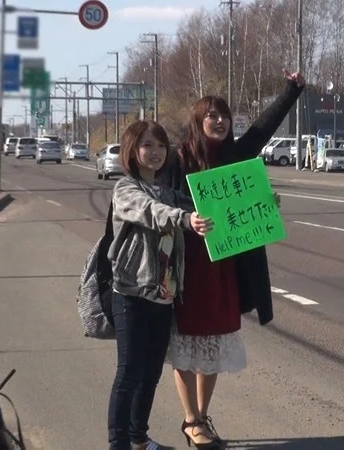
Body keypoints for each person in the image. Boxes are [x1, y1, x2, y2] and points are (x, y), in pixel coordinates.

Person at [157, 69, 305, 448]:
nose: (219, 121)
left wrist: (292, 90)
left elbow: (261, 130)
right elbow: (163, 200)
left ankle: (203, 416)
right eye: (211, 115)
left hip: (224, 269)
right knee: (186, 343)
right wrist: (192, 214)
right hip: (188, 268)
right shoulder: (179, 158)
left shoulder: (238, 156)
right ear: (197, 121)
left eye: (223, 115)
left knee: (215, 342)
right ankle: (191, 420)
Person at [107, 120, 213, 450]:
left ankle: (139, 439)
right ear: (132, 151)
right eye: (147, 145)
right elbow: (151, 212)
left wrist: (262, 205)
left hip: (164, 297)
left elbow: (206, 208)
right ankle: (118, 444)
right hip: (131, 293)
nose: (155, 152)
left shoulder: (168, 192)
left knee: (151, 374)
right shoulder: (125, 189)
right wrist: (184, 219)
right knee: (129, 373)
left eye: (160, 145)